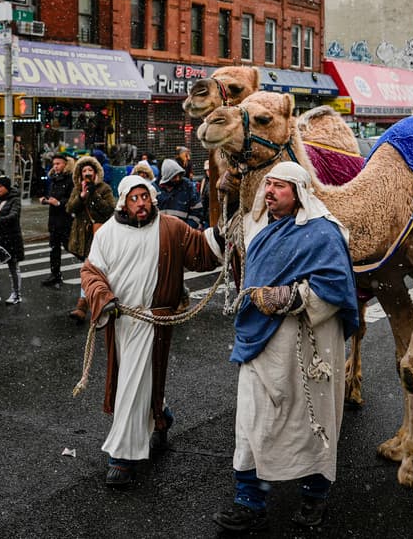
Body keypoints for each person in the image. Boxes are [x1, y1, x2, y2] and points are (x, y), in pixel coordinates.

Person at [212, 162, 359, 533]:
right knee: (252, 422)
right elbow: (224, 238)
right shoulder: (260, 229)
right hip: (259, 344)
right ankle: (249, 501)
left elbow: (337, 287)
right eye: (268, 185)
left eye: (278, 186)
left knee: (311, 423)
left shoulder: (323, 233)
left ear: (298, 193)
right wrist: (223, 194)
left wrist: (291, 296)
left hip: (305, 349)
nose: (270, 192)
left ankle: (314, 498)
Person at [81, 175, 222, 487]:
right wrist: (103, 299)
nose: (141, 203)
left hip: (154, 322)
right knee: (135, 378)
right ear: (123, 202)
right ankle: (161, 415)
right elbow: (91, 272)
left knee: (133, 382)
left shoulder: (170, 227)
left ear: (153, 198)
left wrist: (222, 234)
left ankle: (122, 457)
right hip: (119, 320)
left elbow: (201, 251)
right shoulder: (107, 234)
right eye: (134, 198)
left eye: (145, 196)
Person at [65, 154, 115, 321]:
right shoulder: (78, 189)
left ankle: (84, 305)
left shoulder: (104, 188)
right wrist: (82, 197)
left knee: (92, 271)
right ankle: (97, 301)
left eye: (90, 170)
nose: (87, 173)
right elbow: (69, 208)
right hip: (82, 237)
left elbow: (109, 210)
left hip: (99, 235)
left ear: (95, 173)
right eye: (84, 170)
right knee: (91, 270)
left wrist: (94, 196)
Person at [0, 176, 24, 304]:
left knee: (13, 266)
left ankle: (16, 295)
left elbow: (13, 216)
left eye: (0, 186)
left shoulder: (15, 200)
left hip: (11, 238)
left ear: (7, 188)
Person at [40, 153, 74, 289]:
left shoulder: (70, 179)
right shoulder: (54, 178)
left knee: (70, 247)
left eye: (58, 164)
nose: (55, 166)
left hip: (65, 219)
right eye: (54, 164)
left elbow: (72, 199)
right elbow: (52, 195)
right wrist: (46, 199)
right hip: (54, 219)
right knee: (54, 248)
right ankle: (55, 275)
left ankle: (89, 264)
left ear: (65, 164)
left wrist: (59, 203)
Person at [156, 158, 205, 230]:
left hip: (185, 233)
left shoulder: (188, 187)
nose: (178, 179)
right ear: (167, 177)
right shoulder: (156, 189)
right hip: (163, 233)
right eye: (174, 177)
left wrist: (186, 230)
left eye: (179, 175)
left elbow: (197, 211)